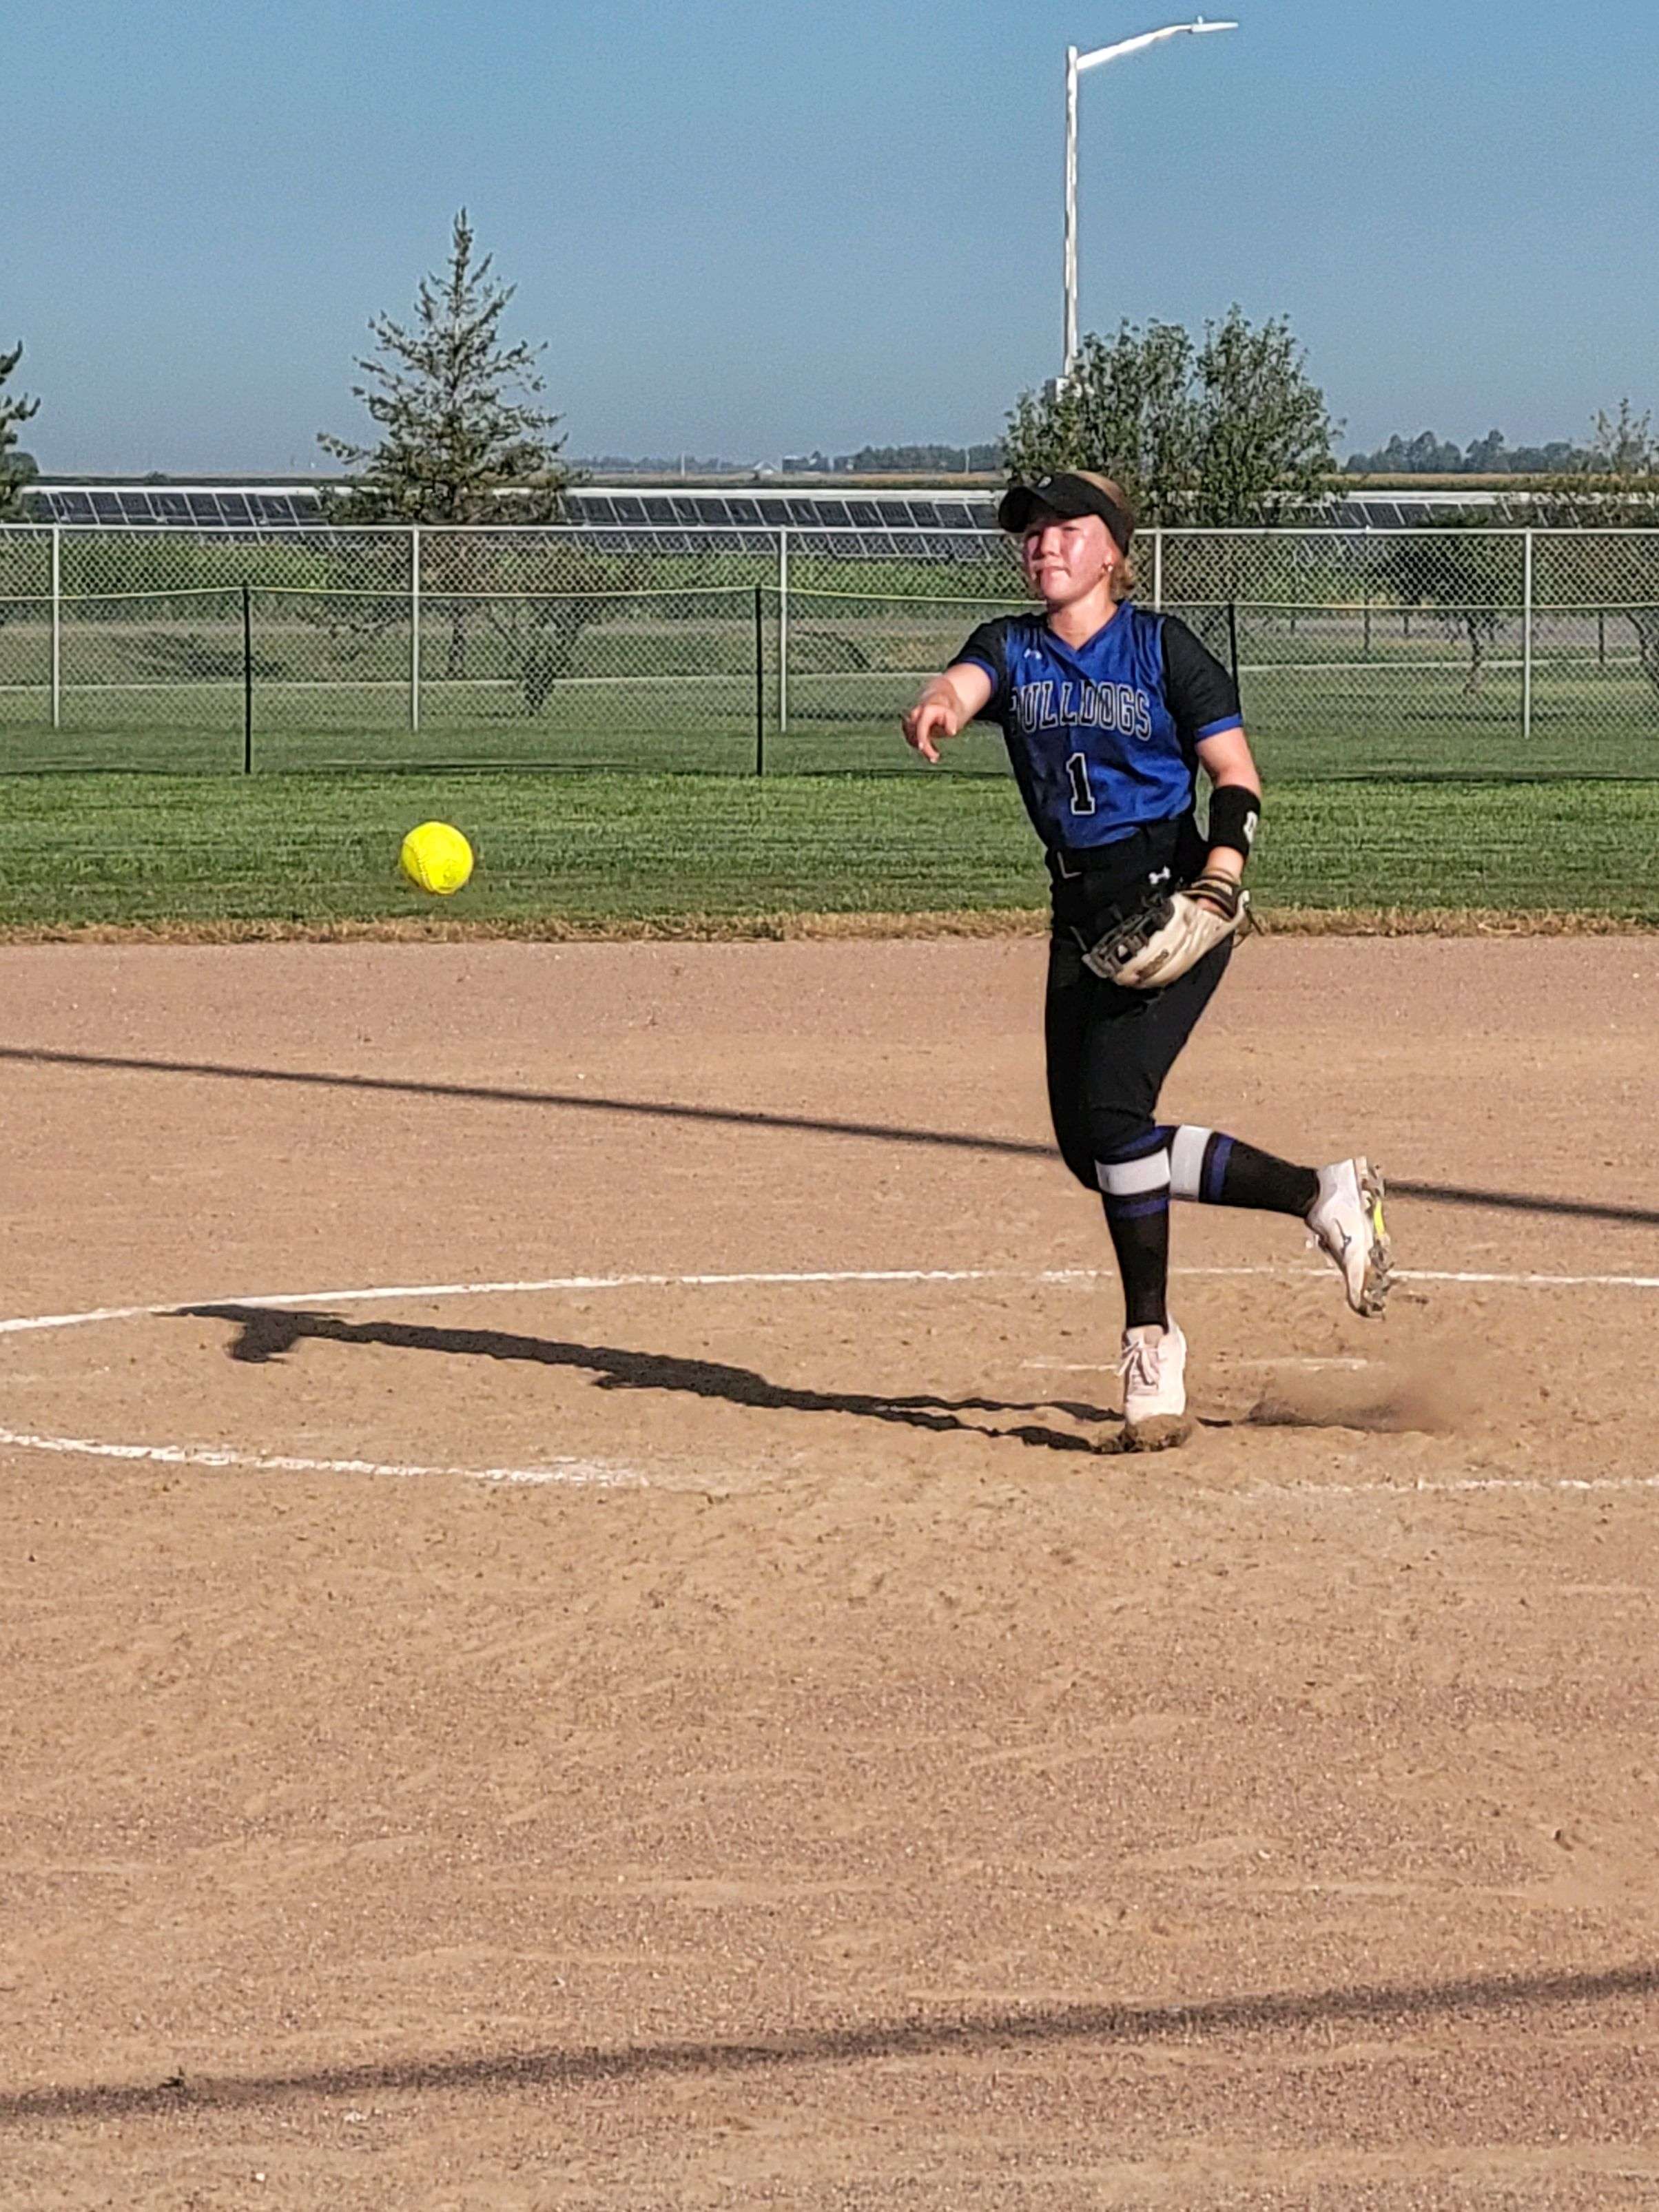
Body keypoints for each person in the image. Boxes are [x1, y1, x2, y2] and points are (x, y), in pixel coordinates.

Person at [901, 470, 1391, 1450]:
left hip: (1177, 904)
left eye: (1065, 528)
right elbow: (968, 681)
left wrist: (1221, 874)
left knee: (1117, 1117)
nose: (1043, 544)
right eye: (1032, 532)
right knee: (1094, 1151)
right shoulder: (1012, 645)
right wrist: (942, 704)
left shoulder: (1166, 649)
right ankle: (1319, 1193)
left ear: (1113, 548)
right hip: (1079, 913)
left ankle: (1151, 1344)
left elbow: (1236, 777)